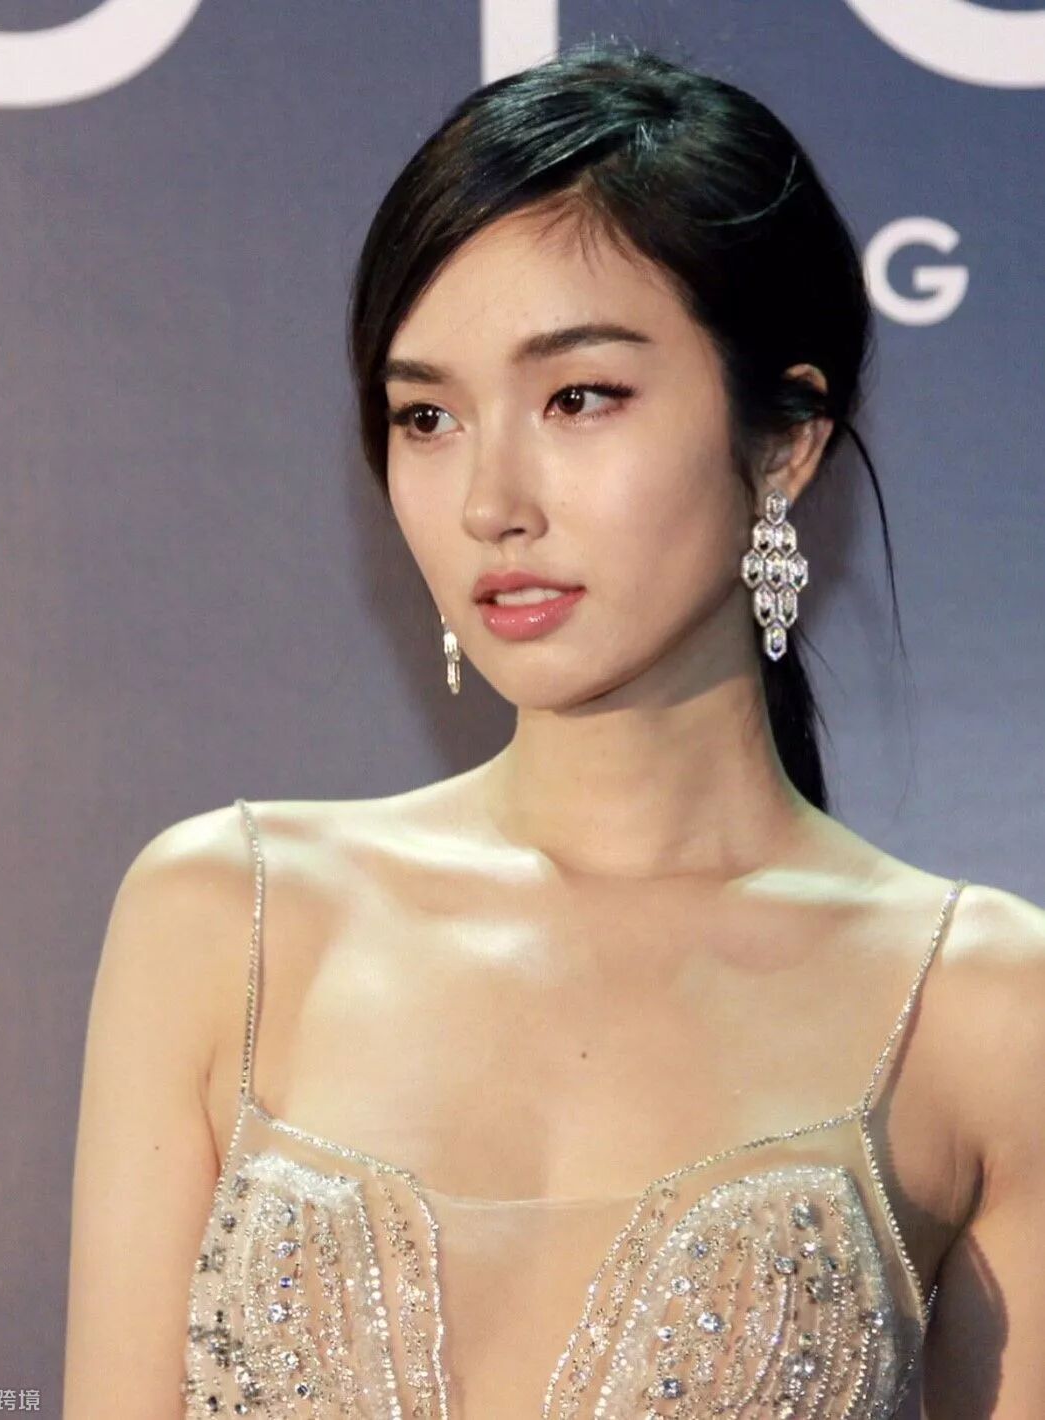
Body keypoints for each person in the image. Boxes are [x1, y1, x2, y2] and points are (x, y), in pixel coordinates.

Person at [62, 40, 1045, 1420]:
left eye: (578, 397)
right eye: (426, 416)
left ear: (784, 439)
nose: (489, 502)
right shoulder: (231, 921)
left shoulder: (984, 1005)